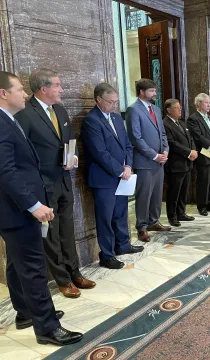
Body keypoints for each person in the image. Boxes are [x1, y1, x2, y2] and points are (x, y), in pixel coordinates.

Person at [0, 71, 82, 345]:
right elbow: (6, 172)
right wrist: (34, 204)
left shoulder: (7, 120)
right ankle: (47, 328)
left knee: (16, 262)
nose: (23, 94)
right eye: (18, 89)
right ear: (3, 93)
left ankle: (25, 312)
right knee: (33, 268)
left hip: (14, 208)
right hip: (17, 209)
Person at [15, 69, 95, 299]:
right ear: (43, 89)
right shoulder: (25, 114)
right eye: (58, 85)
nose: (62, 90)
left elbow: (69, 140)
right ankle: (62, 279)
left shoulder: (59, 109)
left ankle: (75, 272)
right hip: (42, 185)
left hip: (64, 181)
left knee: (67, 229)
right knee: (51, 234)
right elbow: (23, 153)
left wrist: (75, 158)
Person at [82, 83, 143, 269]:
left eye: (116, 102)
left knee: (121, 213)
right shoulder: (91, 120)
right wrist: (119, 170)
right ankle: (107, 255)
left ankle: (123, 245)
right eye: (111, 102)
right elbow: (99, 152)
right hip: (104, 179)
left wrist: (128, 166)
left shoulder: (116, 118)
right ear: (99, 100)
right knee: (105, 218)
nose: (114, 106)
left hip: (122, 175)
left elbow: (127, 145)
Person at [126, 79, 171, 243]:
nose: (155, 94)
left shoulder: (156, 109)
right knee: (144, 195)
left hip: (160, 160)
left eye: (155, 91)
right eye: (151, 91)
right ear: (142, 92)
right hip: (145, 161)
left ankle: (154, 221)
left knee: (157, 194)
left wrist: (165, 151)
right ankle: (142, 227)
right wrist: (153, 155)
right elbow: (135, 138)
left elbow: (163, 134)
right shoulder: (133, 110)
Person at [187, 93, 210, 216]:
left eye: (209, 102)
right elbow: (197, 136)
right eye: (206, 102)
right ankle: (202, 206)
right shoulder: (193, 118)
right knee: (204, 181)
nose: (209, 105)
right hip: (204, 154)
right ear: (199, 103)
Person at [163, 99, 197, 227]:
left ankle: (181, 213)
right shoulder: (165, 124)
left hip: (187, 163)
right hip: (175, 163)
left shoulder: (182, 123)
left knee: (184, 189)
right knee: (174, 191)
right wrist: (189, 152)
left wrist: (193, 150)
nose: (180, 110)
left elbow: (191, 138)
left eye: (180, 107)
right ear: (169, 110)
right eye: (177, 108)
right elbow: (172, 143)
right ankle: (172, 216)